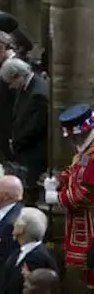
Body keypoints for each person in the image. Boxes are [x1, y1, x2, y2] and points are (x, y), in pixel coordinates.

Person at [50, 104, 95, 290]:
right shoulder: (85, 149)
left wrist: (57, 198)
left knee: (86, 273)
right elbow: (75, 169)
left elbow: (86, 193)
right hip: (79, 225)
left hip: (90, 225)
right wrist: (59, 180)